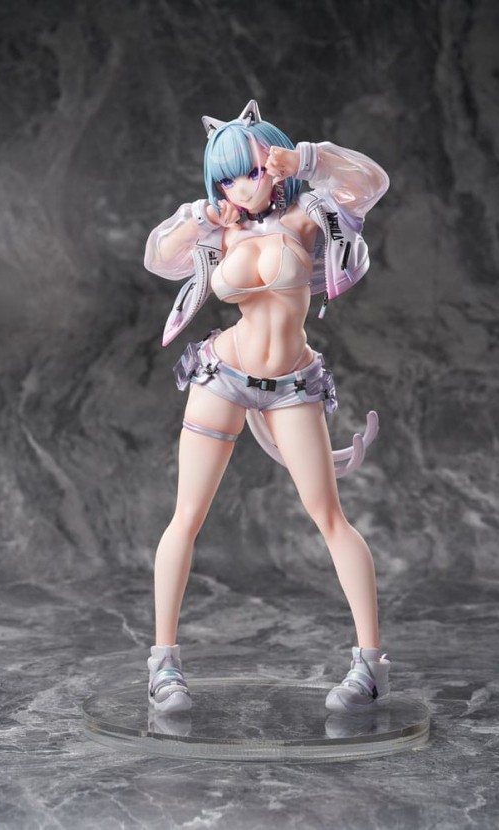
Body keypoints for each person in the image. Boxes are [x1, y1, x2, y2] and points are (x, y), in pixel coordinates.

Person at [144, 100, 391, 715]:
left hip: (290, 385)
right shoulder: (222, 227)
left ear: (273, 163)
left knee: (329, 516)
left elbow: (370, 183)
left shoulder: (308, 216)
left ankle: (370, 665)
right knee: (186, 515)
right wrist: (200, 217)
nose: (240, 187)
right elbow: (159, 258)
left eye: (250, 171)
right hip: (221, 375)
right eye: (226, 177)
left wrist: (306, 158)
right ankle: (163, 664)